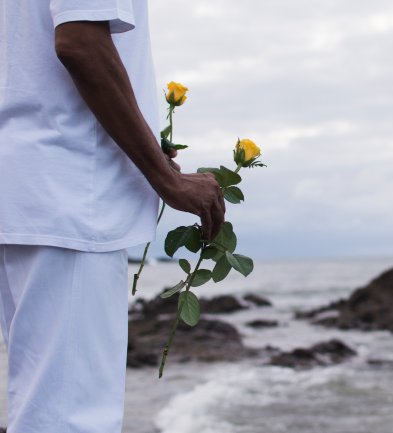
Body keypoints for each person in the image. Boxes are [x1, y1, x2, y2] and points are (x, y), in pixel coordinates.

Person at [0, 1, 225, 431]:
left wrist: (145, 149)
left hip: (30, 192)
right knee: (70, 419)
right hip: (71, 198)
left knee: (41, 405)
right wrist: (166, 179)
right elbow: (80, 44)